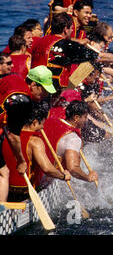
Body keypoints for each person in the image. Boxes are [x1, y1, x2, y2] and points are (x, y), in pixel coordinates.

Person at [30, 12, 113, 92]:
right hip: (49, 89)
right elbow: (96, 56)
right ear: (66, 29)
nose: (72, 31)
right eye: (71, 29)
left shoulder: (38, 41)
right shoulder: (66, 45)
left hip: (34, 83)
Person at [0, 65, 56, 202]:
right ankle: (1, 211)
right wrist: (21, 161)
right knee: (3, 172)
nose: (45, 95)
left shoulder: (14, 78)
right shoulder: (22, 102)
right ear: (32, 84)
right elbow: (13, 136)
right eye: (43, 90)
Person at [2, 102, 71, 202]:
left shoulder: (7, 136)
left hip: (5, 190)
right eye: (42, 124)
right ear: (34, 122)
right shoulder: (35, 141)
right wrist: (63, 176)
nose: (42, 127)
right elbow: (47, 168)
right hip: (25, 193)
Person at [43, 100, 98, 183]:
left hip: (35, 169)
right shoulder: (73, 138)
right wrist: (88, 177)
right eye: (85, 117)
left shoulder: (49, 121)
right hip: (46, 178)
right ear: (76, 118)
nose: (86, 120)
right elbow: (72, 168)